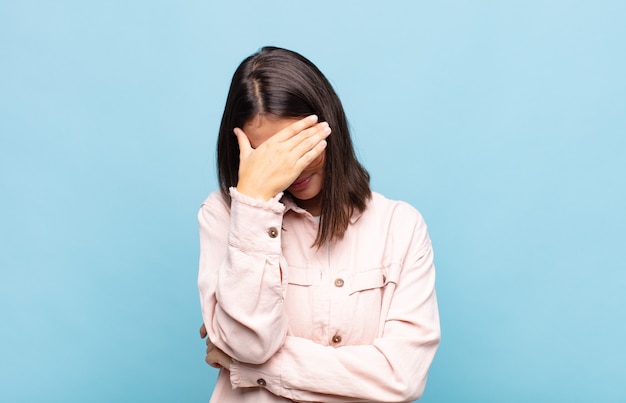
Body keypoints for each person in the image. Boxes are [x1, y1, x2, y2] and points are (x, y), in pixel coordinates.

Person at [198, 46, 440, 402]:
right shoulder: (223, 214)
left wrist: (251, 369)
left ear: (329, 127)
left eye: (298, 146)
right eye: (270, 155)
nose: (291, 168)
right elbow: (251, 343)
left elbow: (400, 378)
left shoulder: (399, 226)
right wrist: (253, 205)